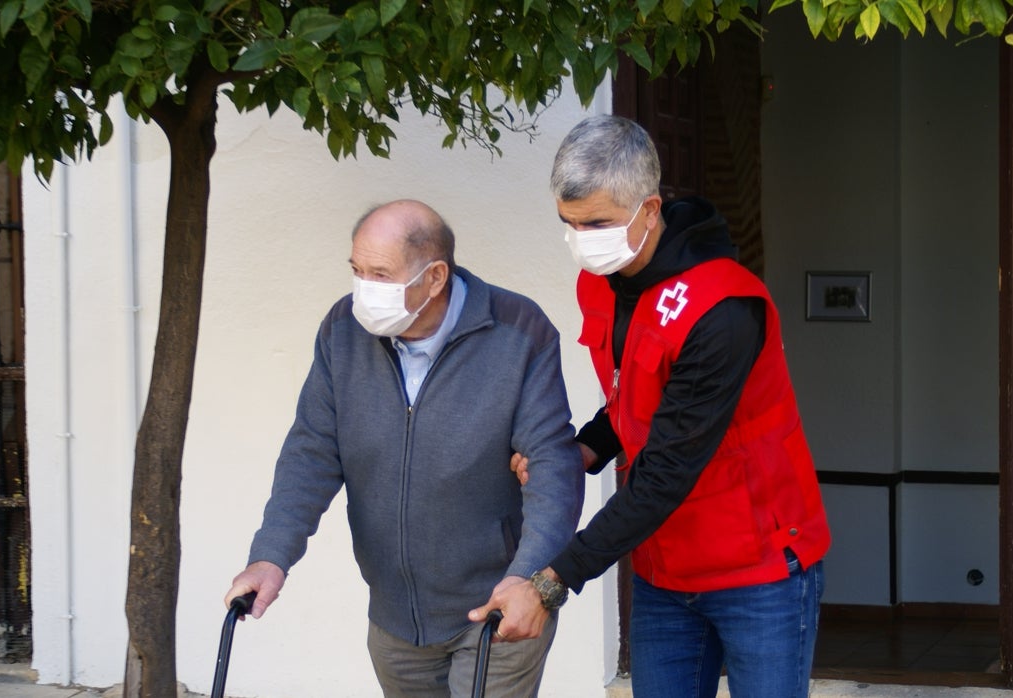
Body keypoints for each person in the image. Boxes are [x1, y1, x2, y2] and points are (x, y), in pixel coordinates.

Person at [472, 116, 831, 697]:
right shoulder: (603, 281)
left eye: (598, 223)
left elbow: (667, 471)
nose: (582, 240)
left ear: (650, 208)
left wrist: (550, 582)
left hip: (760, 567)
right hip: (666, 566)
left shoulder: (724, 308)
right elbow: (629, 396)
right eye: (570, 224)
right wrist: (583, 449)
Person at [225, 199, 585, 698]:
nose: (363, 290)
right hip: (395, 617)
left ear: (435, 277)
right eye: (357, 271)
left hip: (495, 608)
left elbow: (552, 466)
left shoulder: (518, 330)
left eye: (380, 274)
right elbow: (311, 451)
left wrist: (528, 580)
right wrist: (271, 555)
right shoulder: (343, 330)